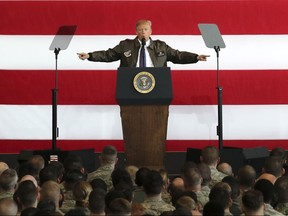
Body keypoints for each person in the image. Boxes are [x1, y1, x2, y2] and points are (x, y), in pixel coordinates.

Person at [77, 19, 209, 67]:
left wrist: (195, 57)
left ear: (151, 31)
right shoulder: (125, 45)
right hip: (130, 82)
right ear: (136, 31)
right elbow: (108, 55)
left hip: (157, 82)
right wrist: (90, 55)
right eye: (140, 30)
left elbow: (177, 55)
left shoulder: (161, 45)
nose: (143, 32)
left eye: (145, 29)